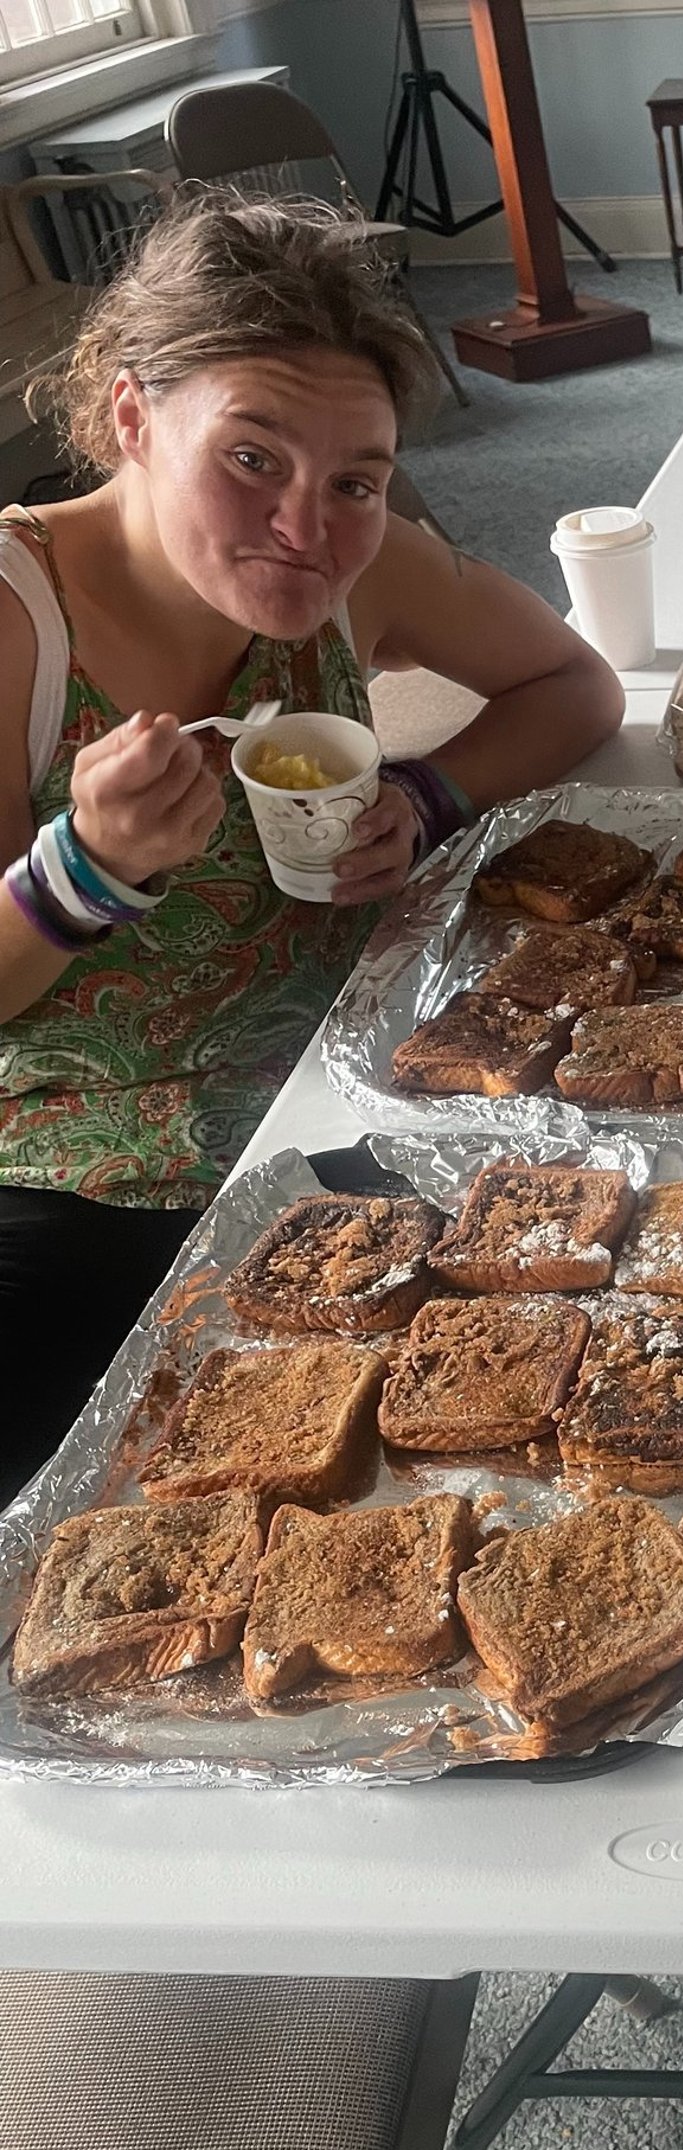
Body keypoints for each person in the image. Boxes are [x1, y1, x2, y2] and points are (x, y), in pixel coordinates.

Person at [0, 192, 624, 1499]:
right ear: (131, 420)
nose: (307, 528)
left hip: (351, 1106)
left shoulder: (366, 567)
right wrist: (80, 880)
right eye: (250, 459)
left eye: (357, 480)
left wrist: (429, 799)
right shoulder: (19, 629)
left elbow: (578, 687)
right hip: (83, 1183)